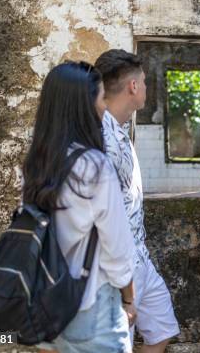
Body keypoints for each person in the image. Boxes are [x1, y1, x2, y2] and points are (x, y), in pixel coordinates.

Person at [22, 61, 136, 353]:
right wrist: (128, 300)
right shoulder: (94, 166)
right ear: (83, 106)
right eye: (100, 98)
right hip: (91, 304)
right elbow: (118, 251)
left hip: (47, 302)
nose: (104, 107)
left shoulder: (37, 162)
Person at [95, 49, 180, 353]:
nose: (145, 88)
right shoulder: (101, 138)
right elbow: (105, 220)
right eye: (143, 82)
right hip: (116, 268)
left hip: (140, 258)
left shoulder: (119, 128)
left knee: (161, 329)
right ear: (132, 87)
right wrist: (124, 290)